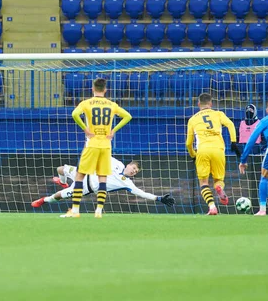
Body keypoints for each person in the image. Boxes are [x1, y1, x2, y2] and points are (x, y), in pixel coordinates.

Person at [61, 78, 132, 218]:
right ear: (105, 90)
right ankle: (98, 211)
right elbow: (128, 116)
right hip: (106, 146)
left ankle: (75, 210)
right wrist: (113, 130)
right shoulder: (112, 104)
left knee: (80, 175)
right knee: (102, 177)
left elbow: (74, 114)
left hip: (92, 144)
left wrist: (85, 129)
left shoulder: (86, 103)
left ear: (93, 89)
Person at [31, 157, 175, 209]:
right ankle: (63, 183)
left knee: (57, 197)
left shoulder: (127, 183)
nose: (134, 171)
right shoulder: (116, 163)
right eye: (134, 168)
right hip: (84, 173)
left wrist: (159, 198)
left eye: (136, 172)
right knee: (60, 169)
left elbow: (141, 193)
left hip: (85, 187)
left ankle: (44, 200)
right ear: (129, 164)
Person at [186, 93, 240, 215]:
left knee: (204, 183)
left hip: (202, 150)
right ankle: (219, 188)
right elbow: (230, 125)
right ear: (211, 104)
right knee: (219, 179)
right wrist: (233, 142)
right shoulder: (218, 114)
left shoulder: (193, 119)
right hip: (218, 149)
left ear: (198, 104)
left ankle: (212, 207)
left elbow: (188, 143)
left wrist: (193, 154)